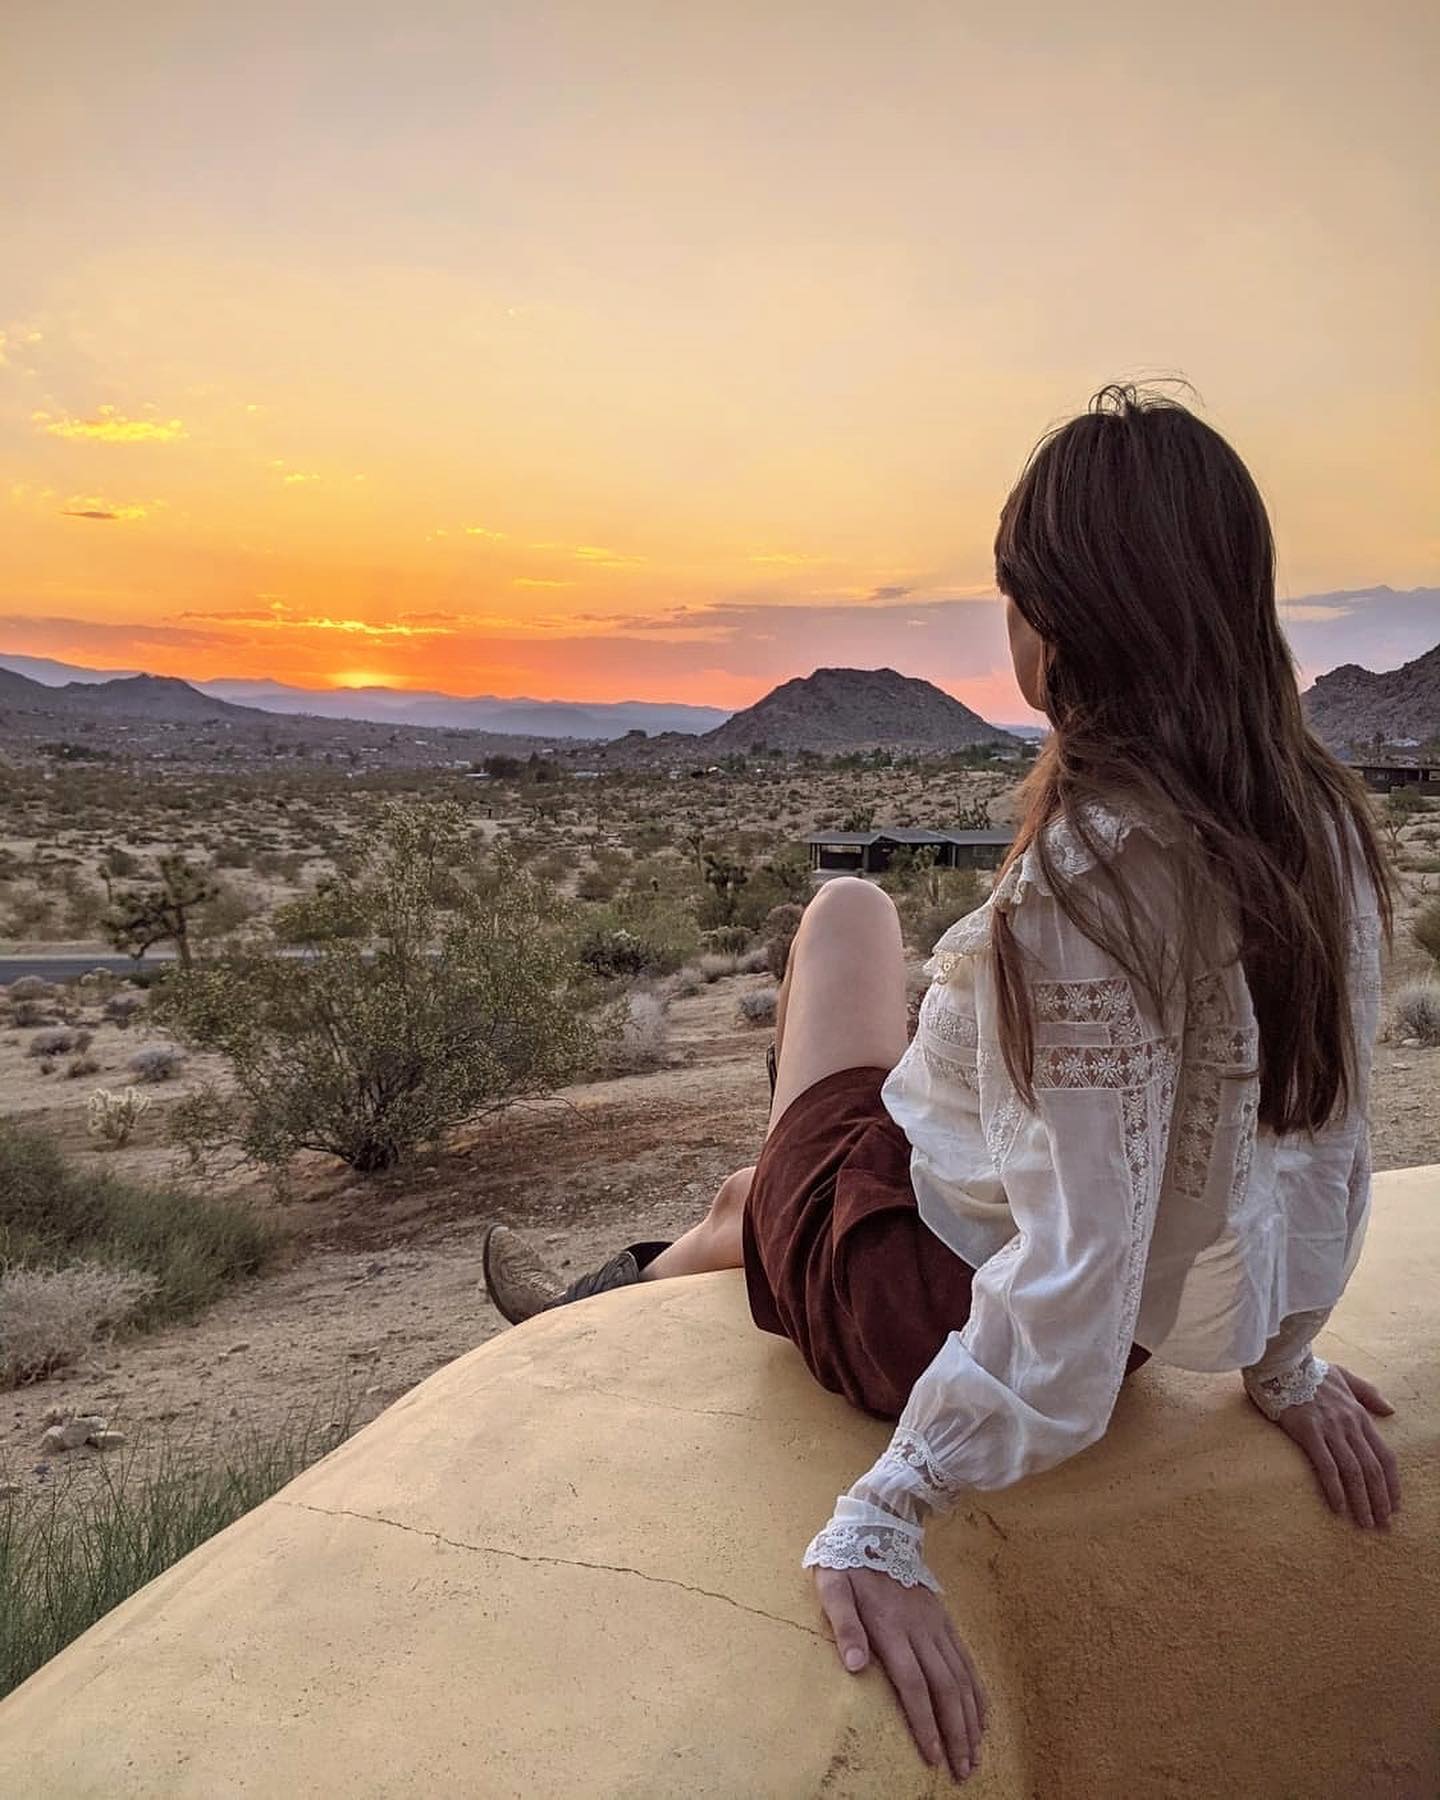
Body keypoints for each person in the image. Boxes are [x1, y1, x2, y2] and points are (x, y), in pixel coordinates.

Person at [482, 385, 1401, 1786]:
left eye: (1016, 596)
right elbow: (1305, 1147)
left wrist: (888, 1514)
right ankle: (680, 1248)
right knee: (793, 1163)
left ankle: (693, 1247)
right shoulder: (1319, 832)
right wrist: (1282, 1360)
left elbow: (1079, 1263)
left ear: (1067, 621)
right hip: (1039, 1288)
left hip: (919, 1306)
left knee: (846, 917)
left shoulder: (1093, 886)